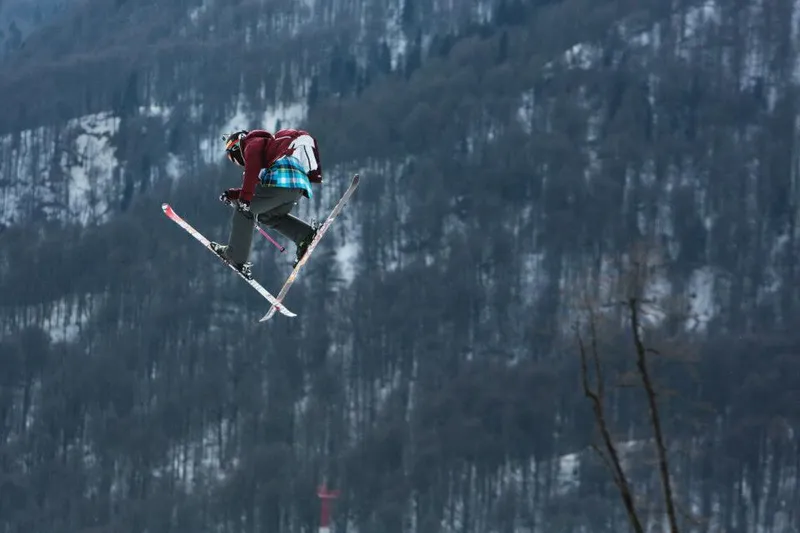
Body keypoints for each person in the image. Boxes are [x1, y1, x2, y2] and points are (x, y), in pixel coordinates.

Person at [210, 128, 324, 278]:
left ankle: (235, 255)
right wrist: (233, 194)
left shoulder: (251, 144)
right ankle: (304, 236)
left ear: (237, 147)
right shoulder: (267, 151)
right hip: (296, 187)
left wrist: (243, 201)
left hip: (282, 179)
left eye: (233, 158)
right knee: (266, 216)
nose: (237, 163)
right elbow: (257, 189)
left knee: (245, 209)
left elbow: (251, 175)